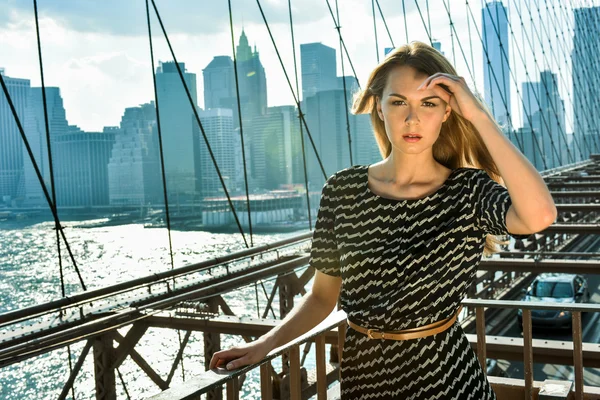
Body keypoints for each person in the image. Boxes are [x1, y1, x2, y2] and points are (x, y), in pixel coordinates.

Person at [209, 41, 556, 399]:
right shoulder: (342, 190)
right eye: (398, 102)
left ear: (448, 112)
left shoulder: (466, 191)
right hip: (364, 376)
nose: (412, 119)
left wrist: (478, 114)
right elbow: (321, 298)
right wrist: (263, 345)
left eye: (429, 104)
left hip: (446, 379)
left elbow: (540, 215)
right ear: (379, 106)